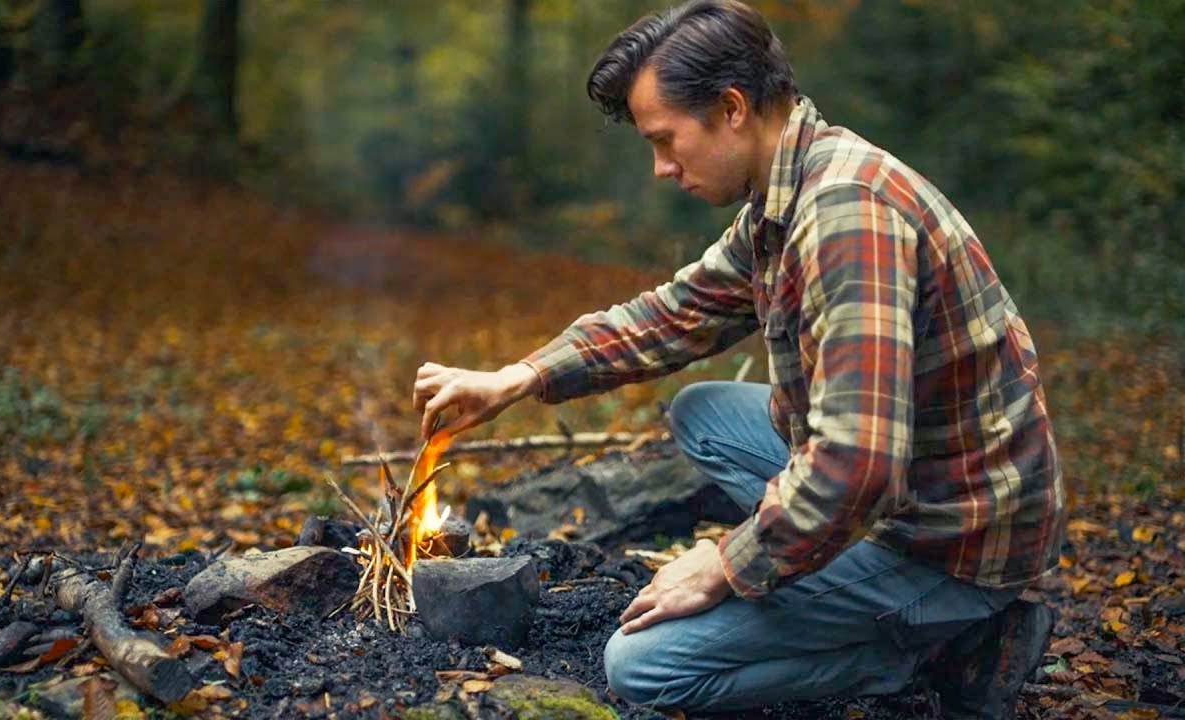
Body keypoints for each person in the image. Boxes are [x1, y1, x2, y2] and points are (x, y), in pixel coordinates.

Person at [411, 1, 1065, 717]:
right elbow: (676, 312)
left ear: (729, 109)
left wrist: (728, 563)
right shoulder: (785, 195)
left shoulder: (846, 216)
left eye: (666, 140)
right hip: (911, 478)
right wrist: (521, 376)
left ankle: (937, 647)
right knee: (706, 414)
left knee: (642, 667)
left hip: (952, 540)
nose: (662, 168)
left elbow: (860, 464)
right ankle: (850, 580)